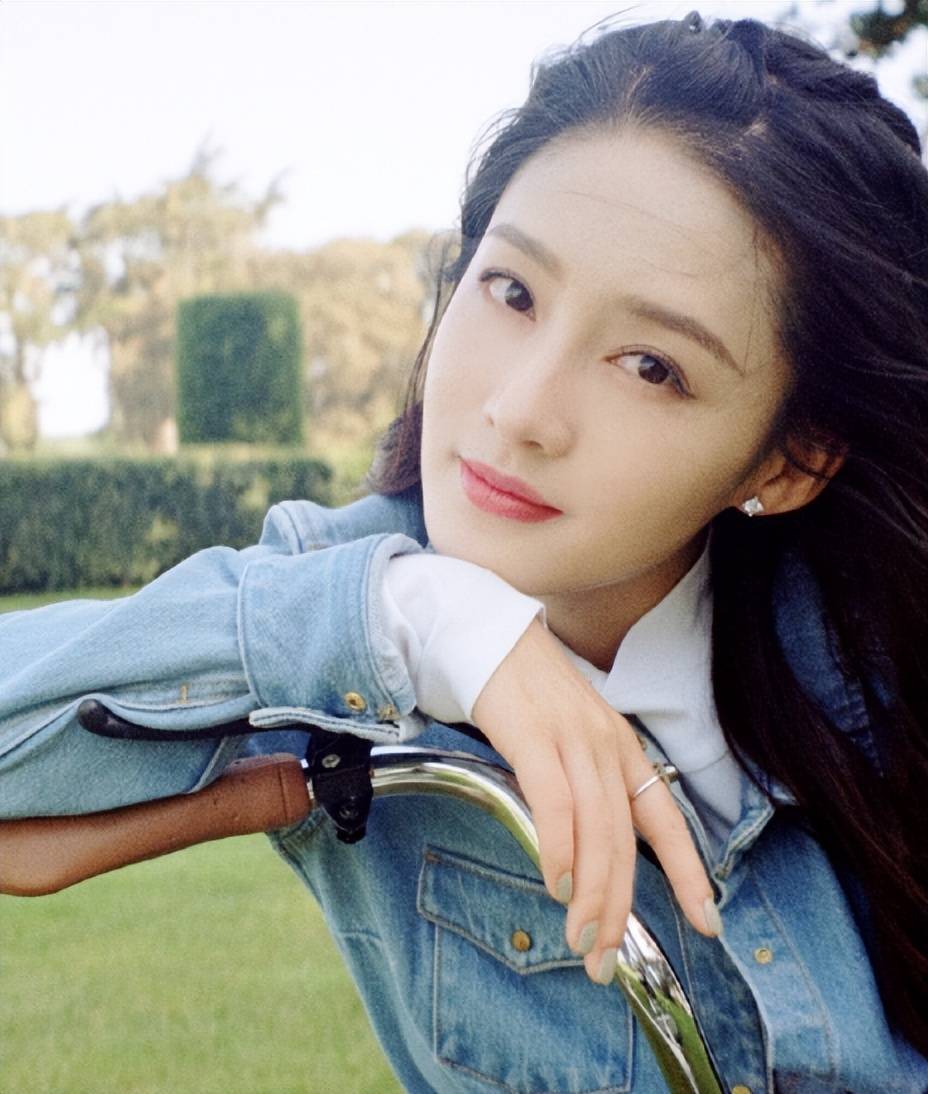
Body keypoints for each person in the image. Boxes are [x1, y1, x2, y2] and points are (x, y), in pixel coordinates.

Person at [2, 9, 927, 1091]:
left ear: (791, 460)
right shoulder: (339, 617)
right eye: (512, 291)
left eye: (650, 366)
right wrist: (425, 619)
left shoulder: (869, 635)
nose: (519, 408)